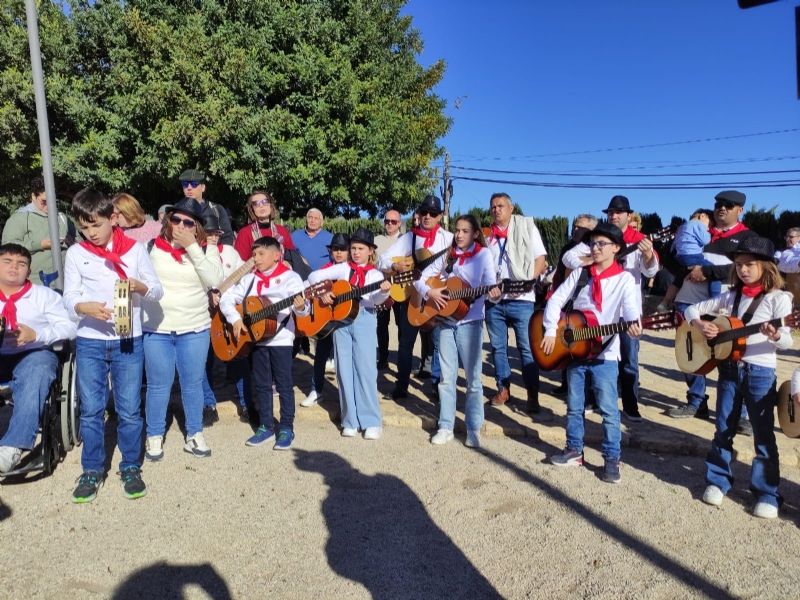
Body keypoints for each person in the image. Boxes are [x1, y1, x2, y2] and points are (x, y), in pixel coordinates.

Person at [63, 188, 163, 502]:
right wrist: (83, 308)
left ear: (113, 218)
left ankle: (130, 466)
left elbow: (157, 291)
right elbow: (68, 297)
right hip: (91, 341)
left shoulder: (134, 250)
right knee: (91, 410)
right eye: (84, 226)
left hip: (127, 339)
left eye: (96, 224)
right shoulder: (77, 254)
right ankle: (92, 470)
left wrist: (141, 286)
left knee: (129, 410)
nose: (91, 233)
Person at [686, 236, 794, 519]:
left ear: (767, 267)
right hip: (729, 370)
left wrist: (777, 334)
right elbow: (691, 309)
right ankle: (717, 480)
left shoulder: (779, 299)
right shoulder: (729, 295)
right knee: (723, 428)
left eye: (750, 265)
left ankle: (767, 493)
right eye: (739, 265)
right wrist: (700, 324)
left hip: (760, 372)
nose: (743, 269)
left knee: (762, 435)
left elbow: (788, 342)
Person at [542, 223, 642, 484]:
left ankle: (611, 458)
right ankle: (574, 450)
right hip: (575, 350)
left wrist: (633, 322)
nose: (595, 248)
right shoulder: (581, 274)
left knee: (609, 410)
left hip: (605, 354)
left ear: (616, 248)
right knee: (574, 406)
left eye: (601, 244)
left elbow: (630, 309)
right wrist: (551, 331)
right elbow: (555, 300)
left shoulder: (624, 279)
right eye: (593, 243)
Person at [667, 190, 760, 429]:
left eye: (729, 205)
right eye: (719, 204)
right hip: (690, 302)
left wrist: (707, 272)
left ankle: (739, 415)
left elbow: (745, 270)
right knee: (692, 352)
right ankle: (696, 402)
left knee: (733, 357)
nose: (722, 208)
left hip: (727, 306)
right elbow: (680, 260)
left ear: (740, 210)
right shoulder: (701, 231)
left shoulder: (748, 238)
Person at [562, 195, 658, 422]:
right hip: (598, 312)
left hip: (627, 311)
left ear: (629, 215)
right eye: (610, 213)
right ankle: (593, 400)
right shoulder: (599, 239)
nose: (613, 216)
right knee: (591, 354)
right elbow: (568, 257)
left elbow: (651, 272)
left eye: (618, 212)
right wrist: (588, 261)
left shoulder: (640, 239)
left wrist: (646, 254)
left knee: (629, 361)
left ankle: (630, 405)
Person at [141, 198, 224, 461]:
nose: (180, 225)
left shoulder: (206, 250)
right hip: (157, 329)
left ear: (197, 227)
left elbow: (214, 281)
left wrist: (193, 249)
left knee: (192, 384)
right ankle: (154, 435)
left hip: (194, 328)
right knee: (158, 385)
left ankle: (194, 433)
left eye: (188, 222)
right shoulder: (151, 247)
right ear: (168, 221)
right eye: (175, 219)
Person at [220, 236, 310, 450]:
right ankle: (266, 426)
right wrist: (235, 319)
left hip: (281, 339)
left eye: (261, 254)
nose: (256, 259)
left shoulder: (291, 278)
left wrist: (299, 307)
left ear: (276, 255)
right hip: (257, 340)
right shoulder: (250, 279)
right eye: (254, 254)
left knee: (284, 384)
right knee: (261, 384)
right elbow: (226, 298)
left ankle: (287, 428)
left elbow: (304, 309)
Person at [416, 215, 498, 448]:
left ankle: (473, 428)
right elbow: (419, 278)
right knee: (446, 378)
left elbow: (491, 283)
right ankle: (445, 426)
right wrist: (430, 293)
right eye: (457, 231)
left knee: (473, 380)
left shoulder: (484, 255)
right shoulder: (447, 254)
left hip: (470, 323)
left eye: (465, 231)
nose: (459, 235)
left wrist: (496, 292)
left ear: (475, 234)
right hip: (445, 323)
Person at [0, 244, 77, 473]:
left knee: (38, 370)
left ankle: (12, 446)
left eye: (21, 263)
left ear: (28, 270)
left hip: (33, 353)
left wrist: (37, 335)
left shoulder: (44, 296)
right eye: (7, 261)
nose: (14, 267)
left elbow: (70, 327)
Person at [308, 228, 391, 439]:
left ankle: (372, 421)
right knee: (344, 370)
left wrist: (384, 291)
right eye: (353, 248)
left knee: (365, 369)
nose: (355, 252)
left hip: (364, 317)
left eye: (360, 248)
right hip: (340, 320)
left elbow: (375, 300)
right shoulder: (343, 268)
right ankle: (350, 419)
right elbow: (313, 275)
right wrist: (326, 292)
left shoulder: (374, 274)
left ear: (371, 251)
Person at [377, 196, 453, 400]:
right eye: (424, 212)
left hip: (436, 295)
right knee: (405, 343)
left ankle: (437, 387)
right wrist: (396, 266)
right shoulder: (410, 237)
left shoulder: (449, 239)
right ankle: (401, 386)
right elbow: (383, 259)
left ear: (440, 216)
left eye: (433, 213)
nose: (427, 216)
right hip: (412, 297)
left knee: (438, 343)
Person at [484, 192, 547, 413]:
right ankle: (503, 389)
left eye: (500, 205)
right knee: (498, 348)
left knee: (526, 348)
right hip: (494, 301)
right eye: (492, 206)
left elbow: (540, 257)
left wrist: (531, 281)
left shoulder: (527, 228)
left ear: (511, 209)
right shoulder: (487, 236)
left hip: (522, 300)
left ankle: (532, 393)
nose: (496, 209)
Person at [201, 212, 254, 425]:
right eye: (209, 234)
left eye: (216, 234)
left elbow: (246, 274)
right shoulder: (193, 256)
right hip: (203, 315)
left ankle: (248, 405)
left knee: (238, 357)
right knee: (205, 361)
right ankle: (209, 404)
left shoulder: (230, 253)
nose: (213, 237)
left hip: (228, 315)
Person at [548, 214, 597, 397]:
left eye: (581, 228)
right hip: (565, 297)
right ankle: (566, 383)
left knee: (584, 346)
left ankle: (589, 391)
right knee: (565, 340)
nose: (576, 230)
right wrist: (587, 263)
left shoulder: (596, 246)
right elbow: (566, 261)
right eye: (575, 227)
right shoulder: (570, 248)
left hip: (586, 302)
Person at [300, 233, 350, 408]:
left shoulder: (351, 269)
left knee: (345, 359)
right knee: (320, 355)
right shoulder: (326, 269)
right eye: (335, 249)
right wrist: (323, 294)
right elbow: (310, 281)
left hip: (346, 319)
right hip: (326, 319)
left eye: (342, 249)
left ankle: (347, 396)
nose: (338, 253)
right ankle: (316, 390)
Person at [2, 176, 78, 286]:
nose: (49, 205)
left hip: (65, 284)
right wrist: (40, 245)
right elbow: (8, 248)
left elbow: (81, 244)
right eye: (44, 201)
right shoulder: (20, 218)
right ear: (33, 196)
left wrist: (72, 242)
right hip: (34, 285)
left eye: (53, 201)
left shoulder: (62, 217)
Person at [657, 209, 719, 311]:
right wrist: (711, 233)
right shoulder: (698, 225)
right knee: (714, 271)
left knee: (678, 280)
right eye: (710, 224)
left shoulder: (682, 227)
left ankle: (665, 302)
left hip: (679, 257)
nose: (708, 228)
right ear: (702, 216)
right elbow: (705, 240)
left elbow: (674, 245)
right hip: (693, 255)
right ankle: (716, 301)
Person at [374, 210, 404, 370]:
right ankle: (383, 358)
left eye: (393, 221)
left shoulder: (405, 240)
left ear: (399, 223)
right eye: (387, 221)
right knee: (382, 324)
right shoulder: (376, 240)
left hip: (401, 289)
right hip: (382, 288)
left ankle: (401, 358)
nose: (390, 224)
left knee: (401, 325)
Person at [233, 191, 296, 262]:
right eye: (256, 203)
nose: (261, 205)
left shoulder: (281, 230)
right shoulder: (245, 233)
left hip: (281, 271)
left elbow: (292, 257)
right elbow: (239, 263)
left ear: (270, 205)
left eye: (265, 201)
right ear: (252, 209)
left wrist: (286, 264)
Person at [178, 169, 234, 244]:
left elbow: (227, 237)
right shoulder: (176, 211)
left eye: (194, 184)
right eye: (185, 184)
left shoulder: (216, 209)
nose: (189, 188)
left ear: (203, 187)